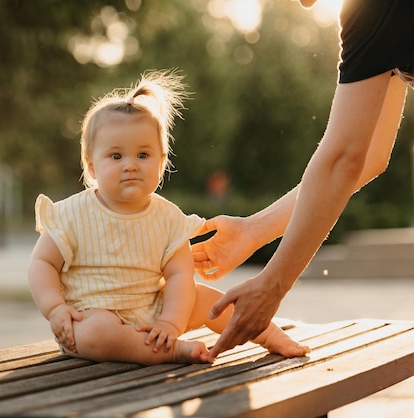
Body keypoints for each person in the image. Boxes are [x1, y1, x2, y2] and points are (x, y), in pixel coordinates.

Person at [192, 0, 414, 362]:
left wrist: (273, 284)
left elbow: (344, 160)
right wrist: (252, 232)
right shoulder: (379, 20)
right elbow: (366, 158)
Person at [28, 70, 310, 365]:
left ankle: (270, 335)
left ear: (162, 163)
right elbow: (42, 263)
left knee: (207, 299)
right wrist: (55, 308)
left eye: (143, 155)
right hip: (92, 316)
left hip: (153, 310)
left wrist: (170, 323)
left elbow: (178, 276)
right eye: (115, 156)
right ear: (92, 166)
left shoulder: (168, 218)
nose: (130, 166)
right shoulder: (73, 214)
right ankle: (173, 351)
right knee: (97, 333)